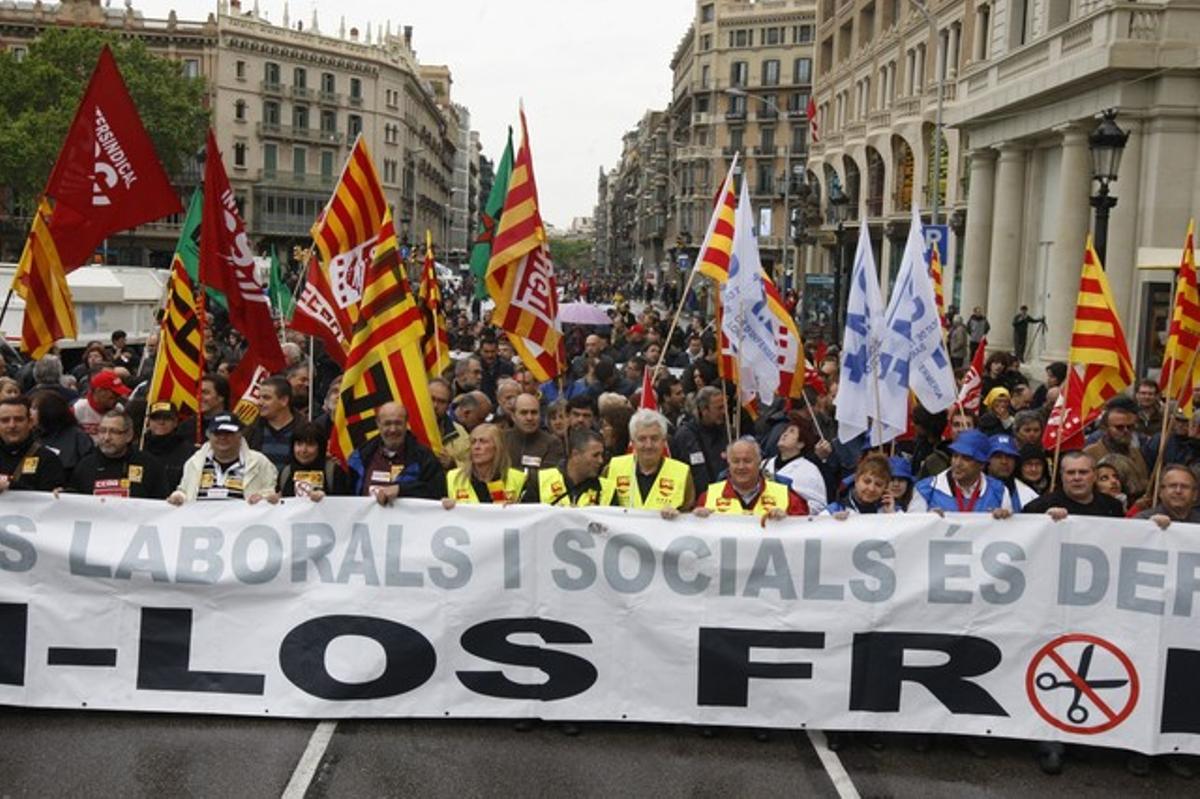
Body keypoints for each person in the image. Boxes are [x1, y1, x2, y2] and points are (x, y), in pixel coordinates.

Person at [1019, 450, 1124, 775]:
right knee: (1054, 668)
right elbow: (1015, 535)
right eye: (1070, 473)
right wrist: (1042, 523)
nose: (1077, 478)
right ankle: (1050, 740)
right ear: (1061, 476)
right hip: (1052, 603)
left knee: (1087, 666)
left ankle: (1079, 735)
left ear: (1094, 474)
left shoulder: (1112, 508)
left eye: (1083, 472)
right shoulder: (1041, 505)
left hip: (1096, 605)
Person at [347, 402, 445, 504]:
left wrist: (402, 490)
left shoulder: (424, 458)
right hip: (366, 519)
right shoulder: (360, 457)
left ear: (406, 423)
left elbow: (436, 492)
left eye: (398, 423)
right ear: (378, 423)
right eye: (387, 423)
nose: (393, 429)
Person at [168, 413, 278, 504]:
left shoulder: (259, 462)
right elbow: (184, 491)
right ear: (209, 435)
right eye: (217, 433)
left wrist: (264, 498)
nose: (223, 437)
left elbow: (272, 493)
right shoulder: (194, 462)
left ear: (239, 434)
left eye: (228, 433)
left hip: (245, 528)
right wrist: (178, 497)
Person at [605, 409, 695, 517]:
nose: (648, 445)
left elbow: (689, 516)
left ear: (664, 441)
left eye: (654, 438)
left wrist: (679, 515)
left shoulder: (682, 473)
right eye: (642, 439)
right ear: (633, 443)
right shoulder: (612, 468)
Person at [694, 438, 808, 518]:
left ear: (759, 462)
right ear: (728, 463)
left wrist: (789, 522)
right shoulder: (708, 497)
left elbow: (804, 531)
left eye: (747, 461)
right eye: (735, 461)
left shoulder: (786, 496)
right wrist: (697, 520)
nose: (741, 466)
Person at [908, 429, 1013, 516]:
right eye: (955, 456)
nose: (957, 463)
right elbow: (911, 531)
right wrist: (925, 520)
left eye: (966, 458)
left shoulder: (999, 491)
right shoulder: (926, 489)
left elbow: (1011, 534)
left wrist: (1003, 521)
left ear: (982, 464)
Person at [68, 410, 168, 499]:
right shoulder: (85, 465)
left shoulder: (150, 465)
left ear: (129, 436)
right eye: (102, 431)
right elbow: (74, 501)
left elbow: (162, 504)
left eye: (114, 432)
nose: (106, 438)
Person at [522, 427, 616, 506]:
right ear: (575, 455)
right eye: (595, 455)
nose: (601, 461)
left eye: (602, 455)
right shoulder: (540, 481)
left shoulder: (607, 490)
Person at [443, 423, 527, 506]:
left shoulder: (518, 478)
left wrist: (515, 509)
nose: (476, 447)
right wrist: (444, 505)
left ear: (498, 447)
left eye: (483, 441)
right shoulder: (453, 477)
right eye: (473, 442)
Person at [1083, 397, 1149, 500]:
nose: (1126, 431)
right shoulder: (1090, 454)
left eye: (1130, 427)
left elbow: (1143, 485)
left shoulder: (1137, 454)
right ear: (1106, 428)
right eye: (1119, 427)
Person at [760, 416, 829, 514]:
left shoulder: (810, 470)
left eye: (791, 432)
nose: (784, 434)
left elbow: (819, 507)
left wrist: (791, 509)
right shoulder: (764, 464)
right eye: (785, 431)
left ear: (800, 444)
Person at [672, 385, 730, 498]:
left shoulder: (728, 432)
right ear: (704, 410)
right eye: (719, 408)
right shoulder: (685, 436)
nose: (724, 412)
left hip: (723, 500)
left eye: (725, 407)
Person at [0, 397, 66, 493]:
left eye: (19, 419)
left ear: (30, 422)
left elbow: (49, 502)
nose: (12, 425)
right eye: (5, 420)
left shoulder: (47, 459)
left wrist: (11, 485)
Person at [275, 421, 352, 500]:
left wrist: (326, 500)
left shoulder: (334, 472)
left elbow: (345, 506)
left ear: (321, 447)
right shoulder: (285, 473)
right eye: (299, 444)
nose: (303, 450)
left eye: (310, 444)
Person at [29, 389, 94, 484]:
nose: (30, 413)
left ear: (49, 411)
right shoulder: (30, 435)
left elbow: (87, 467)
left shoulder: (78, 437)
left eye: (34, 408)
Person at [141, 402, 198, 492]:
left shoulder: (189, 452)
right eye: (156, 418)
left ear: (175, 422)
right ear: (148, 421)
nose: (161, 422)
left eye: (167, 418)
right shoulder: (138, 449)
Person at [505, 393, 565, 474]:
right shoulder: (501, 439)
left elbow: (546, 477)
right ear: (513, 416)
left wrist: (508, 473)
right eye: (524, 413)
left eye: (534, 412)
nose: (529, 418)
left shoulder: (552, 443)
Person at [247, 376, 296, 469]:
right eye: (259, 397)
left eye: (266, 398)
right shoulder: (250, 431)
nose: (259, 403)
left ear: (284, 400)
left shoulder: (303, 430)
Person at [827, 454, 897, 516]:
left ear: (885, 488)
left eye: (878, 484)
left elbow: (904, 529)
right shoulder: (835, 509)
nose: (871, 488)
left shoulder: (894, 510)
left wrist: (892, 516)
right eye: (867, 481)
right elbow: (818, 526)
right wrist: (833, 523)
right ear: (856, 480)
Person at [72, 370, 129, 443]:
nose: (118, 397)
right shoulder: (77, 409)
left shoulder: (119, 409)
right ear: (99, 391)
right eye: (114, 393)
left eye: (119, 394)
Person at [986, 434, 1039, 511]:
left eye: (1009, 456)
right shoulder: (972, 489)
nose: (1004, 461)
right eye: (998, 456)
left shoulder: (1030, 495)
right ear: (987, 460)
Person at [429, 377, 469, 470]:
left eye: (441, 402)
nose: (435, 406)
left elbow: (471, 467)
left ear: (448, 405)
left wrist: (453, 464)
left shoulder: (459, 433)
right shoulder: (408, 425)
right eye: (431, 399)